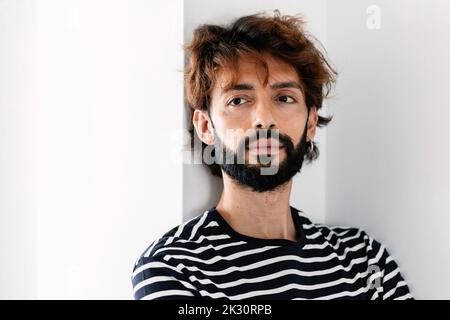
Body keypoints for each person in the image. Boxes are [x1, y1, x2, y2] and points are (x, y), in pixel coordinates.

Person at [131, 11, 413, 300]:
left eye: (284, 98)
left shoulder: (363, 260)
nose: (264, 119)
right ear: (205, 127)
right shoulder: (173, 268)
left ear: (311, 123)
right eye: (238, 100)